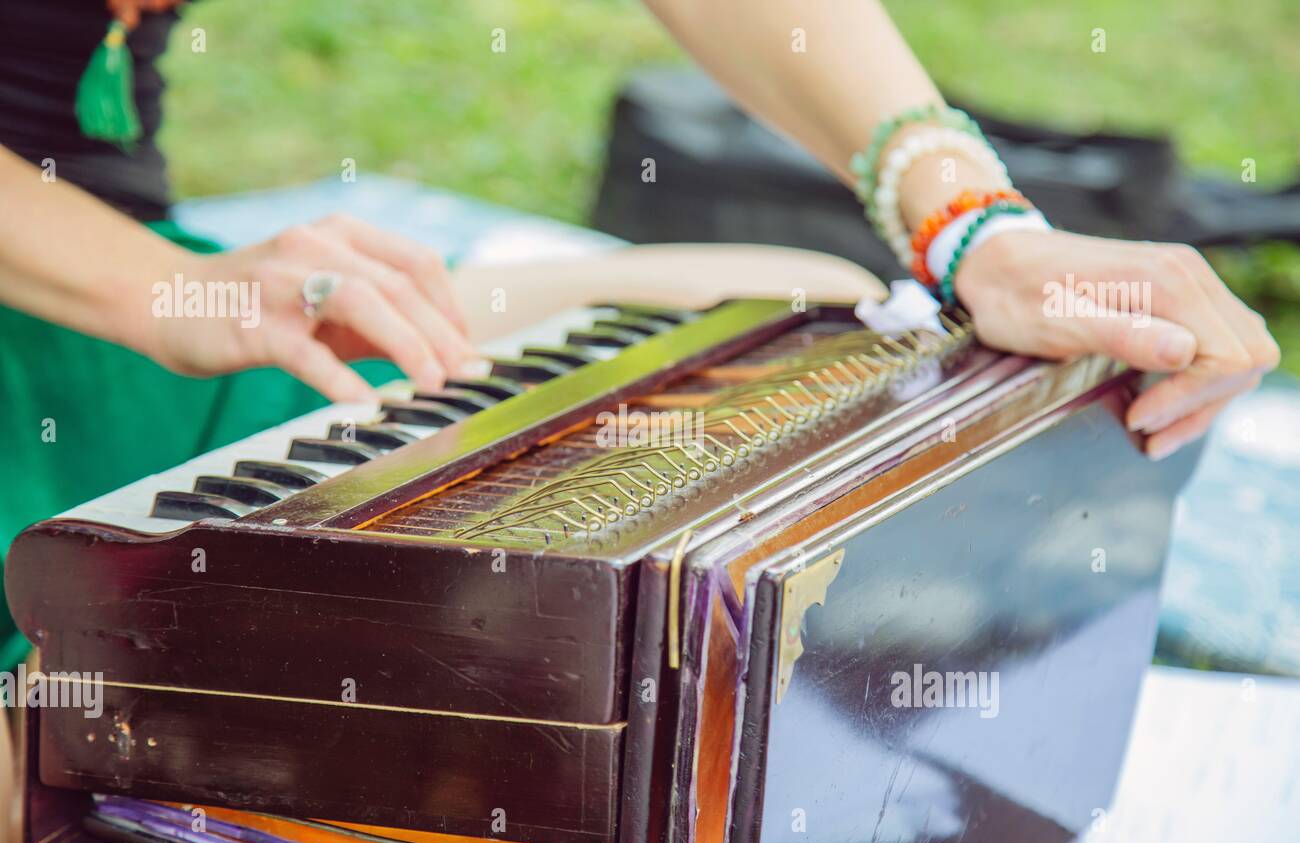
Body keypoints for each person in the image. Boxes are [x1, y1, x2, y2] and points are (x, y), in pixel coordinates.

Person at [0, 0, 1280, 682]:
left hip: (158, 304)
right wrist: (156, 288)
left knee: (794, 321)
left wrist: (972, 229)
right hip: (96, 297)